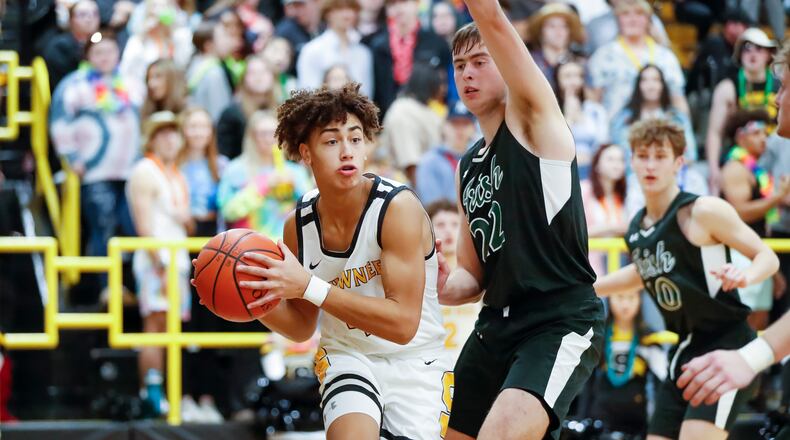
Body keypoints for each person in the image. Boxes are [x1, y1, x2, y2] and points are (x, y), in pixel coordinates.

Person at [225, 83, 450, 439]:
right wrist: (250, 298)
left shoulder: (397, 209)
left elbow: (403, 324)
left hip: (415, 359)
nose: (347, 151)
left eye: (355, 139)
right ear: (306, 153)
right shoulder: (298, 225)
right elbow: (302, 325)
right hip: (348, 356)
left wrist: (310, 286)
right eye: (331, 141)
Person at [439, 0, 606, 436]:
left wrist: (483, 15)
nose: (467, 74)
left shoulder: (534, 120)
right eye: (459, 66)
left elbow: (492, 18)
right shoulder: (467, 166)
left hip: (557, 317)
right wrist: (434, 283)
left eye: (480, 62)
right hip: (495, 324)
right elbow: (471, 278)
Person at [593, 118, 780, 439]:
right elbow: (643, 271)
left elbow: (768, 257)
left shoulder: (702, 210)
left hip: (727, 344)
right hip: (684, 350)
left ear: (679, 163)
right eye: (643, 156)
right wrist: (588, 287)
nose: (651, 165)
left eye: (660, 156)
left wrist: (746, 275)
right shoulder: (637, 226)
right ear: (632, 161)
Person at [676, 40, 790, 408]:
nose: (776, 100)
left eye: (783, 87)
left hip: (756, 253)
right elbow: (743, 212)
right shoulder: (736, 167)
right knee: (752, 320)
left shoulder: (758, 167)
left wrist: (750, 358)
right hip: (743, 254)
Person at [127, 111, 193, 417]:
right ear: (151, 139)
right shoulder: (145, 171)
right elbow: (144, 227)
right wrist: (161, 266)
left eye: (173, 133)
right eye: (162, 133)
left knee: (170, 326)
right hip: (157, 261)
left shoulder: (175, 173)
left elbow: (184, 221)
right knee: (155, 324)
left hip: (177, 259)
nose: (170, 139)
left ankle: (163, 390)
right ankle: (151, 391)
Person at [217, 110, 313, 240]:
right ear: (251, 137)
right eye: (263, 134)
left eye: (274, 133)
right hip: (247, 244)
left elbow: (310, 209)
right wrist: (264, 185)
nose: (269, 139)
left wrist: (296, 188)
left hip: (287, 243)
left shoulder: (295, 171)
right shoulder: (235, 170)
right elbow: (228, 212)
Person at [705, 27, 778, 194]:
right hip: (740, 154)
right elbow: (715, 132)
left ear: (768, 54)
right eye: (747, 48)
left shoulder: (781, 86)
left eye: (759, 48)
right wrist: (713, 169)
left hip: (772, 150)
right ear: (739, 54)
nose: (752, 54)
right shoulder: (727, 87)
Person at [587, 289, 668, 437]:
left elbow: (661, 385)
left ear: (640, 300)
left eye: (631, 298)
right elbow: (587, 379)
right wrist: (582, 418)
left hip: (636, 421)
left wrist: (658, 427)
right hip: (600, 418)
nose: (625, 304)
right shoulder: (598, 335)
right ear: (610, 299)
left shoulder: (650, 338)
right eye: (620, 297)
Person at [588, 0, 687, 118]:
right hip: (614, 124)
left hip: (656, 125)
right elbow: (593, 101)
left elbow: (677, 99)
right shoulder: (603, 56)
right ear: (618, 19)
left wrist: (685, 126)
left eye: (639, 14)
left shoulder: (665, 57)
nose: (632, 19)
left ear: (648, 20)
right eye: (626, 14)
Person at [611, 64, 698, 166]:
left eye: (656, 80)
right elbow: (614, 154)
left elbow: (690, 156)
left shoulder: (677, 118)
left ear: (663, 85)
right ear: (638, 85)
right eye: (645, 80)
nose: (651, 86)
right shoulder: (624, 118)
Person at [296, 0, 374, 97]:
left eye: (351, 9)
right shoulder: (312, 50)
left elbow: (367, 95)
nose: (347, 15)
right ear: (328, 13)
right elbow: (306, 93)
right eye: (340, 9)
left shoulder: (363, 53)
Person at [554, 58, 608, 179]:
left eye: (578, 76)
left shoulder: (595, 110)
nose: (573, 81)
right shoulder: (551, 111)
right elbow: (554, 144)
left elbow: (602, 142)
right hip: (562, 171)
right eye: (567, 76)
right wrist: (569, 118)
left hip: (592, 172)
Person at [415, 101, 476, 205]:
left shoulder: (478, 157)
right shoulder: (430, 161)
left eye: (465, 124)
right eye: (455, 123)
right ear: (444, 126)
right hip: (440, 214)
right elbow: (432, 204)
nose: (460, 130)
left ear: (473, 128)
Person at [582, 143, 628, 276]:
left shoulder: (622, 195)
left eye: (620, 160)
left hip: (618, 264)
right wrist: (612, 228)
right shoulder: (584, 191)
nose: (616, 164)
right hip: (590, 264)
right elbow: (576, 233)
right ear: (597, 164)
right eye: (610, 159)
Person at [527, 3, 585, 92]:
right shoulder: (530, 63)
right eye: (552, 26)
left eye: (564, 26)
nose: (558, 31)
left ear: (569, 32)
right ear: (540, 31)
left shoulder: (581, 62)